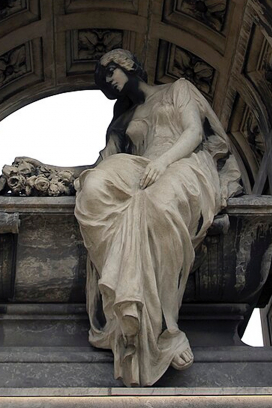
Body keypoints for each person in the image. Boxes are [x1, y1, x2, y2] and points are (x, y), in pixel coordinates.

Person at [74, 49, 245, 386]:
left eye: (110, 72)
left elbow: (194, 134)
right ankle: (128, 303)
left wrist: (163, 162)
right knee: (93, 186)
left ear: (129, 65)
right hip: (141, 169)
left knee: (156, 206)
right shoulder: (122, 119)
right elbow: (101, 165)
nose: (108, 82)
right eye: (103, 79)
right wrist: (43, 171)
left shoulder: (177, 89)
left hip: (183, 163)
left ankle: (163, 328)